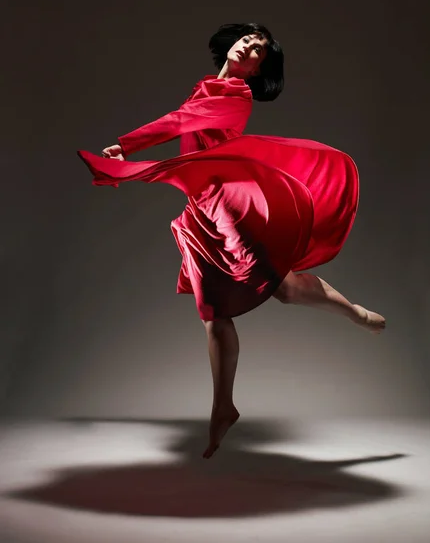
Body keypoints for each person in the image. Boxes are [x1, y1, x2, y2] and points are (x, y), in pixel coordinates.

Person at [78, 23, 385, 459]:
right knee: (216, 310)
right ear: (233, 44)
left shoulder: (235, 96)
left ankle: (352, 313)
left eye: (259, 48)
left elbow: (181, 122)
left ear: (259, 69)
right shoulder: (207, 85)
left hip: (232, 199)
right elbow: (184, 124)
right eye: (248, 39)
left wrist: (127, 146)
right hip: (202, 205)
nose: (250, 45)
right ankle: (223, 404)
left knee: (280, 287)